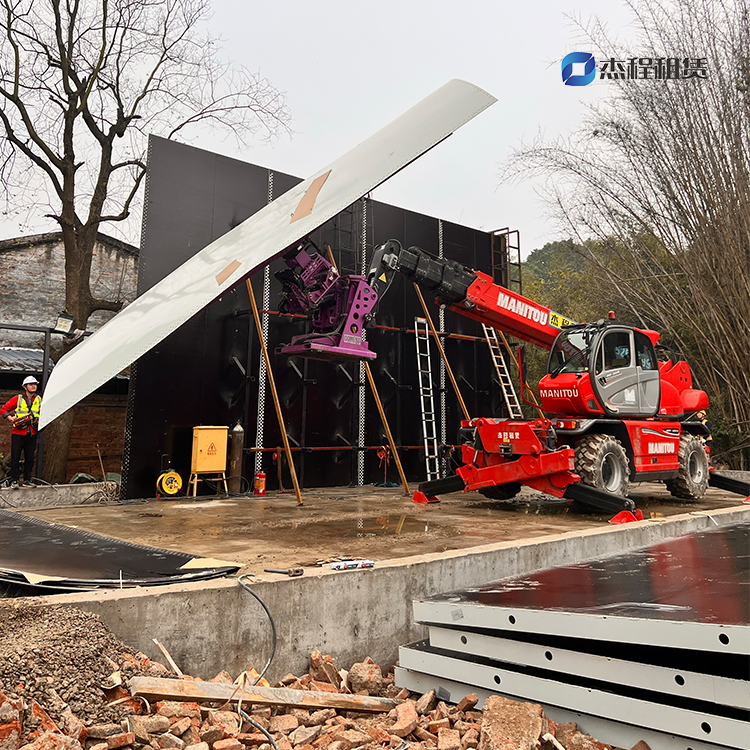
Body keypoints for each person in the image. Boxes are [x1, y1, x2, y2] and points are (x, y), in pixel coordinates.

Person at [1, 375, 42, 487]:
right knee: (16, 457)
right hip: (18, 433)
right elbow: (4, 409)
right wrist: (10, 417)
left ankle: (27, 480)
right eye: (31, 384)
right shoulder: (17, 398)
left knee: (30, 458)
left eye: (35, 384)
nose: (33, 386)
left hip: (32, 433)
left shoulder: (39, 400)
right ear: (25, 387)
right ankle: (14, 480)